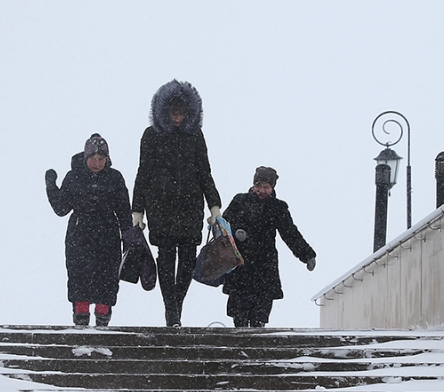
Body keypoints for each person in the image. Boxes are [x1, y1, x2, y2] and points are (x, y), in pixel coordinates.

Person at [131, 80, 222, 327]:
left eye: (182, 113)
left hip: (191, 205)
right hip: (161, 206)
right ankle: (171, 310)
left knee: (188, 259)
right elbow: (143, 172)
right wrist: (137, 208)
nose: (178, 118)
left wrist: (214, 205)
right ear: (165, 112)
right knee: (166, 256)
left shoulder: (195, 136)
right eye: (174, 113)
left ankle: (176, 305)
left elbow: (205, 172)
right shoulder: (151, 136)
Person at [45, 133, 132, 326]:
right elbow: (61, 209)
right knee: (79, 281)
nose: (97, 163)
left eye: (101, 159)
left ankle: (102, 327)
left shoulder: (115, 178)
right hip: (79, 235)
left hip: (108, 236)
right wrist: (51, 186)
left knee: (107, 282)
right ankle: (81, 326)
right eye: (93, 158)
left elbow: (124, 211)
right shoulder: (74, 177)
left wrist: (129, 238)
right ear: (86, 158)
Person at [222, 166, 316, 327]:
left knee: (260, 316)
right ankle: (239, 346)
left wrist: (307, 254)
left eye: (266, 187)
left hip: (264, 266)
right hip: (240, 264)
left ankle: (257, 346)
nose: (261, 190)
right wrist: (236, 231)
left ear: (272, 188)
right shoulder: (239, 201)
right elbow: (223, 226)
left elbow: (290, 233)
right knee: (239, 315)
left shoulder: (278, 208)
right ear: (253, 185)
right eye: (258, 186)